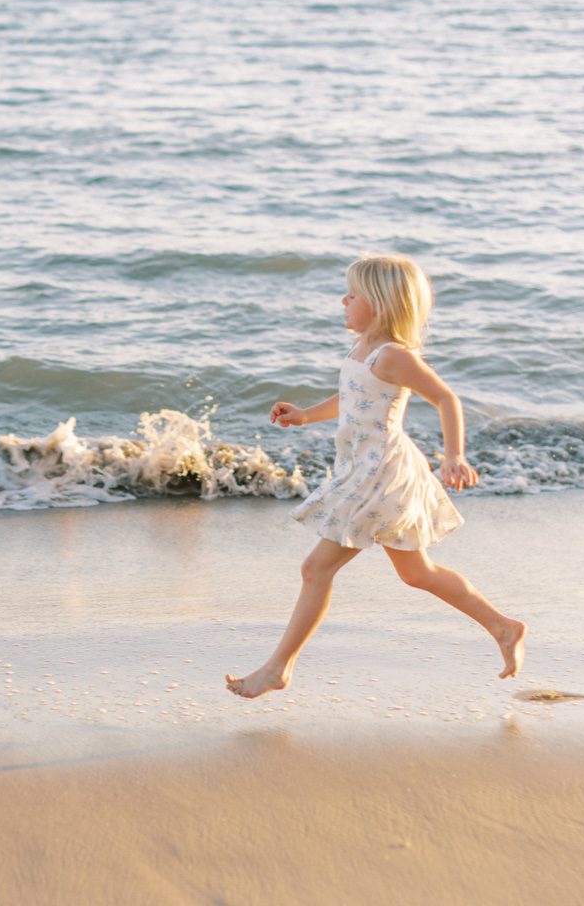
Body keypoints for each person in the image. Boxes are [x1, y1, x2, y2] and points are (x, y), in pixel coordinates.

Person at [225, 254, 526, 698]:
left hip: (381, 474)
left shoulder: (394, 356)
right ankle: (503, 626)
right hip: (362, 469)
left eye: (353, 294)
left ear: (381, 304)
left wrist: (454, 456)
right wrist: (307, 415)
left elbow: (446, 399)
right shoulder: (362, 348)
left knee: (315, 568)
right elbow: (351, 397)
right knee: (417, 573)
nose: (343, 300)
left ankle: (277, 668)